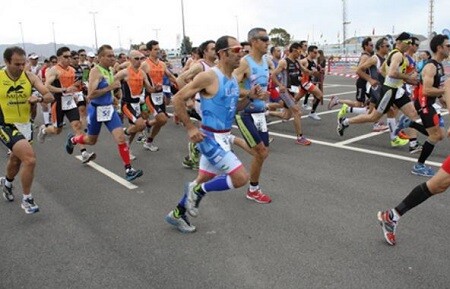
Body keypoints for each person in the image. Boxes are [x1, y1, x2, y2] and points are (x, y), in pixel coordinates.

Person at [165, 35, 248, 233]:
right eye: (236, 50)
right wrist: (190, 127)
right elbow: (177, 99)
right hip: (209, 137)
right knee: (240, 178)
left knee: (202, 178)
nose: (241, 53)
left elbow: (232, 110)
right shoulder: (209, 76)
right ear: (223, 54)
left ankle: (176, 214)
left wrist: (251, 98)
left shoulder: (234, 79)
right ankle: (197, 192)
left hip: (224, 136)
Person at [377, 75, 450, 246]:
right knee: (437, 184)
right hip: (424, 106)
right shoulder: (432, 68)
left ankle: (392, 216)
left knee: (438, 184)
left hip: (427, 106)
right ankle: (392, 216)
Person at [64, 44, 143, 181]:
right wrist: (110, 87)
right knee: (91, 140)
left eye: (113, 55)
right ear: (100, 58)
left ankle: (128, 169)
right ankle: (73, 139)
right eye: (109, 56)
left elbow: (112, 90)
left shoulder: (110, 70)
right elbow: (91, 94)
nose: (113, 58)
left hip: (109, 109)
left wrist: (115, 95)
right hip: (96, 110)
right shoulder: (96, 71)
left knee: (120, 138)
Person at [0, 46, 54, 213]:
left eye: (23, 63)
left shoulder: (29, 77)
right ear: (6, 62)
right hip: (6, 124)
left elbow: (49, 96)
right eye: (17, 64)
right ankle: (27, 199)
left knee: (16, 160)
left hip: (25, 124)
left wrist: (37, 98)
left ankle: (7, 184)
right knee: (29, 159)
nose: (21, 67)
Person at [233, 27, 273, 203]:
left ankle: (231, 140)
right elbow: (230, 86)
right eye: (264, 39)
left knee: (263, 153)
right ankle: (253, 189)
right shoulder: (245, 63)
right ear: (254, 42)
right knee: (261, 152)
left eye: (267, 39)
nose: (268, 42)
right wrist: (250, 93)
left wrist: (265, 98)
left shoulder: (265, 61)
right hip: (245, 112)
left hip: (260, 114)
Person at [38, 46, 96, 164]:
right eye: (66, 56)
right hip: (58, 102)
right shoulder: (54, 70)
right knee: (56, 130)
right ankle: (44, 130)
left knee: (77, 125)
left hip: (69, 102)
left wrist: (79, 89)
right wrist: (63, 90)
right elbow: (47, 86)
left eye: (69, 56)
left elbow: (73, 86)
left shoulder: (72, 70)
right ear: (59, 57)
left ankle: (84, 153)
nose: (68, 59)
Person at [410, 34, 449, 177]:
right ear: (439, 48)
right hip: (424, 103)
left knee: (441, 134)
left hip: (430, 103)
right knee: (436, 134)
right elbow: (426, 90)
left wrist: (442, 98)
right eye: (448, 46)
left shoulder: (439, 66)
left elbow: (435, 87)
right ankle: (419, 166)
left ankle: (410, 123)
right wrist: (445, 91)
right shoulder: (431, 66)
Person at [140, 40, 178, 151]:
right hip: (150, 95)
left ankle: (149, 139)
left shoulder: (162, 64)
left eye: (158, 49)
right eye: (155, 49)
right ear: (149, 51)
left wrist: (180, 85)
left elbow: (170, 76)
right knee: (162, 119)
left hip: (160, 95)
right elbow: (138, 78)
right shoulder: (145, 64)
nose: (158, 51)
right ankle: (147, 126)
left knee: (162, 121)